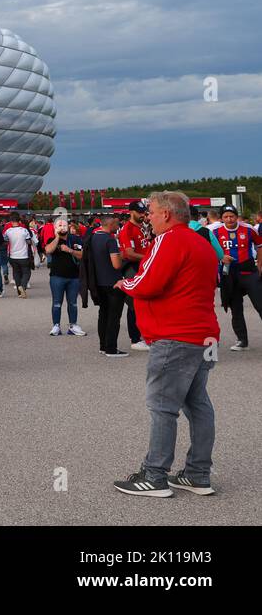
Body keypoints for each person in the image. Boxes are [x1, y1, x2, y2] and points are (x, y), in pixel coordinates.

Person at [112, 192, 220, 497]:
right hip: (205, 333)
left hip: (176, 336)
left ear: (167, 215)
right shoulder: (202, 241)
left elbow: (149, 281)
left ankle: (154, 474)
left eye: (153, 213)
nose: (149, 217)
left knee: (162, 406)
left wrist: (125, 284)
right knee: (198, 404)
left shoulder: (169, 240)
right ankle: (198, 473)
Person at [212, 206, 262, 351]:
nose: (229, 219)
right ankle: (242, 340)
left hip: (248, 271)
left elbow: (260, 245)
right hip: (229, 274)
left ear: (236, 216)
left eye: (232, 216)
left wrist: (260, 264)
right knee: (236, 308)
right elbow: (209, 249)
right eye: (226, 216)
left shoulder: (248, 229)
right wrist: (220, 258)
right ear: (222, 218)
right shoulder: (215, 232)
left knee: (260, 304)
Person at [89, 213, 129, 357]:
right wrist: (121, 256)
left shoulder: (94, 237)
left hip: (99, 282)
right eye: (117, 224)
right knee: (114, 317)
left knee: (103, 314)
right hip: (113, 282)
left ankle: (103, 345)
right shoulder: (110, 240)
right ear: (110, 224)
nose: (118, 226)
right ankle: (111, 348)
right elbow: (116, 264)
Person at [44, 215, 86, 336]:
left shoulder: (76, 239)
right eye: (59, 225)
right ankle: (56, 326)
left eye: (64, 225)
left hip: (74, 276)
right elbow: (48, 250)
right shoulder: (52, 239)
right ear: (55, 227)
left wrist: (70, 250)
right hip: (57, 276)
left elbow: (83, 255)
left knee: (72, 302)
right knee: (57, 302)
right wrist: (57, 236)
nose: (62, 227)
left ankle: (73, 325)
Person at [118, 204, 152, 351]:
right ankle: (135, 338)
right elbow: (129, 253)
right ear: (131, 212)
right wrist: (150, 257)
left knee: (144, 303)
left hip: (142, 267)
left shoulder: (141, 227)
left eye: (143, 212)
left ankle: (144, 334)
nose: (142, 215)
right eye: (139, 212)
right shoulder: (128, 229)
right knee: (134, 303)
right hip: (132, 268)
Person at [4, 212, 34, 297]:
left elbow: (5, 242)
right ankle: (23, 286)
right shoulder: (24, 230)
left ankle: (19, 292)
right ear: (19, 220)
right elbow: (29, 242)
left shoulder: (7, 231)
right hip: (23, 255)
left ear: (11, 221)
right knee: (26, 272)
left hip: (13, 255)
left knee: (16, 273)